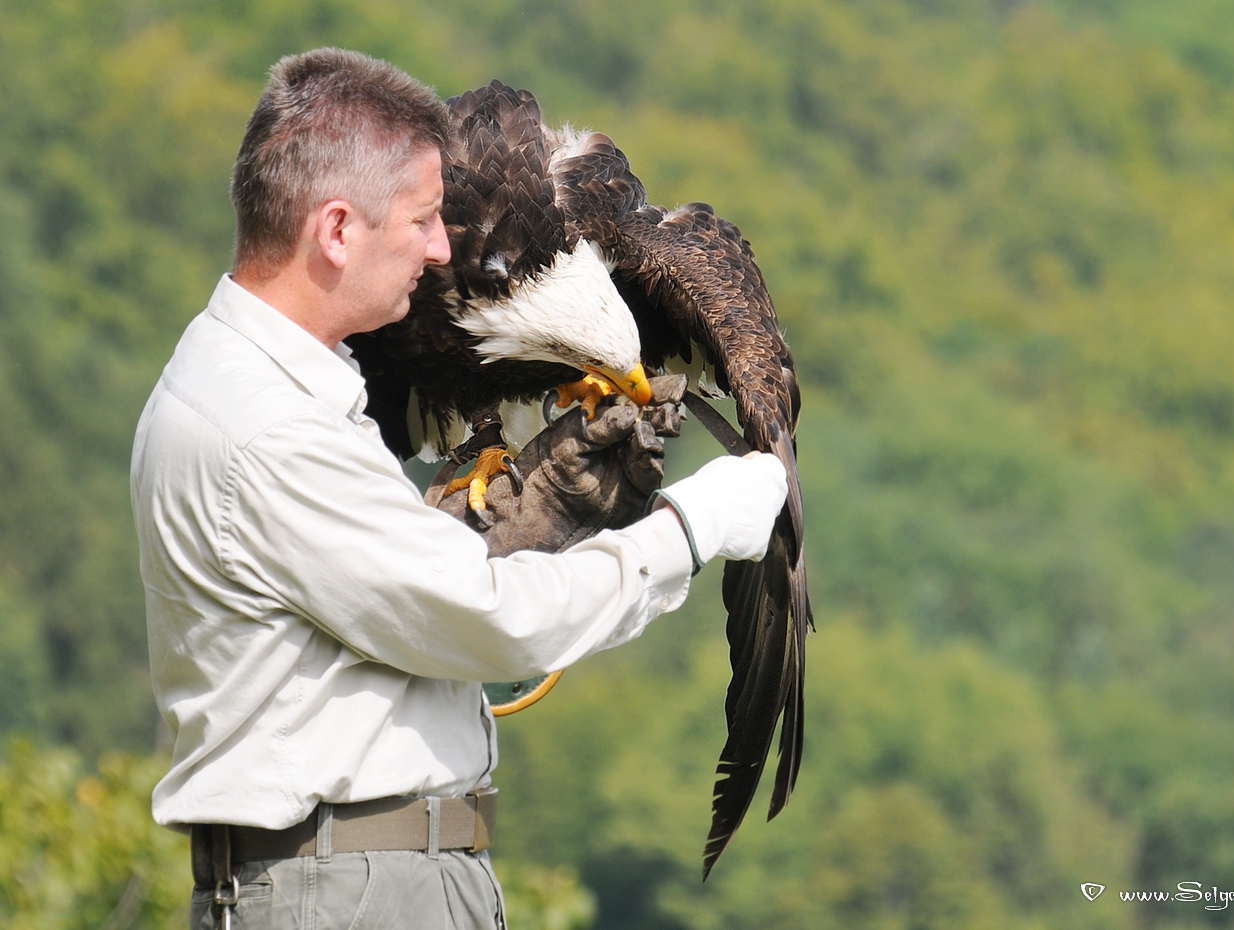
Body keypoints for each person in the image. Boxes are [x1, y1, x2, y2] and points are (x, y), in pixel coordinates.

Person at [130, 47, 788, 930]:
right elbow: (493, 623)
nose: (445, 250)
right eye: (424, 221)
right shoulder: (268, 428)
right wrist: (691, 528)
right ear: (335, 230)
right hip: (351, 891)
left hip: (360, 879)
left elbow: (374, 599)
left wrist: (538, 520)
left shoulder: (258, 382)